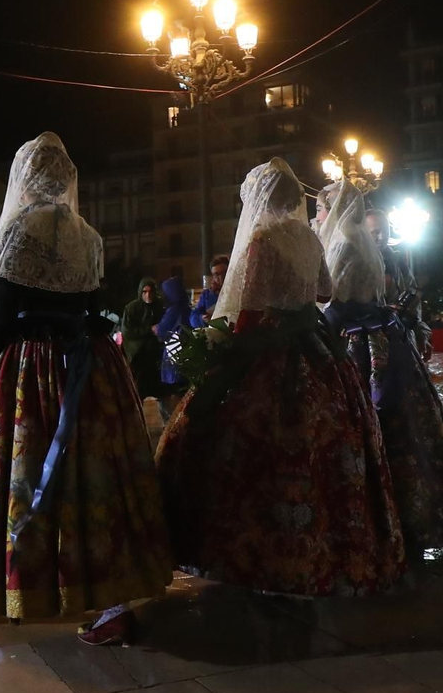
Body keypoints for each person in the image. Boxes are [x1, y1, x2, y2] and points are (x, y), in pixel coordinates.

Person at [0, 133, 173, 630]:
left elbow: (3, 319)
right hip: (88, 366)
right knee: (97, 478)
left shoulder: (19, 232)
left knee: (8, 475)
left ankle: (2, 587)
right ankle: (110, 598)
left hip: (27, 369)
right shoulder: (88, 235)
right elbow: (85, 309)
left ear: (25, 179)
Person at [158, 158, 405, 597]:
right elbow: (325, 292)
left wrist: (224, 359)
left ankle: (252, 549)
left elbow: (249, 311)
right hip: (316, 348)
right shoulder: (309, 237)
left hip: (269, 349)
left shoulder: (261, 239)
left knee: (221, 431)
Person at [319, 180, 443, 553]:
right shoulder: (363, 240)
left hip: (359, 345)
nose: (318, 217)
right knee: (404, 425)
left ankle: (374, 519)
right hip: (384, 340)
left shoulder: (344, 243)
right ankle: (413, 510)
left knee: (372, 424)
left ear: (335, 209)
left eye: (322, 209)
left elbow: (337, 304)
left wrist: (314, 333)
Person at [119, 278, 163, 401]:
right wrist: (148, 330)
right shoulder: (131, 308)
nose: (148, 295)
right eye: (145, 291)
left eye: (151, 291)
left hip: (156, 354)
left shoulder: (159, 306)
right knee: (139, 390)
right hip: (138, 354)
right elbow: (127, 331)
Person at [154, 274, 188, 394]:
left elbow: (161, 329)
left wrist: (155, 328)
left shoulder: (173, 310)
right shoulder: (186, 307)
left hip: (174, 351)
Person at [190, 254, 230, 326]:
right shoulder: (207, 295)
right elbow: (194, 316)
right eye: (216, 274)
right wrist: (202, 318)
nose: (221, 277)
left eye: (224, 273)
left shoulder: (237, 291)